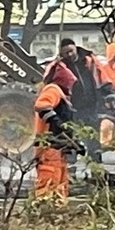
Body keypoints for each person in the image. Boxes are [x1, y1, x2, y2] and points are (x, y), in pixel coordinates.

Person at [34, 61, 80, 198]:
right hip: (49, 147)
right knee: (48, 182)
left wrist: (75, 142)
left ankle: (55, 212)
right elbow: (42, 105)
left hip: (57, 149)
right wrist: (56, 121)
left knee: (58, 184)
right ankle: (45, 212)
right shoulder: (53, 89)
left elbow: (66, 125)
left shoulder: (61, 95)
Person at [55, 38, 102, 156]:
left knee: (93, 138)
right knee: (72, 137)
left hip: (92, 106)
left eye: (71, 51)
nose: (69, 55)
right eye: (66, 53)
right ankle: (71, 166)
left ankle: (96, 165)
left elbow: (100, 77)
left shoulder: (88, 61)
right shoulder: (62, 66)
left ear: (76, 47)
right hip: (74, 108)